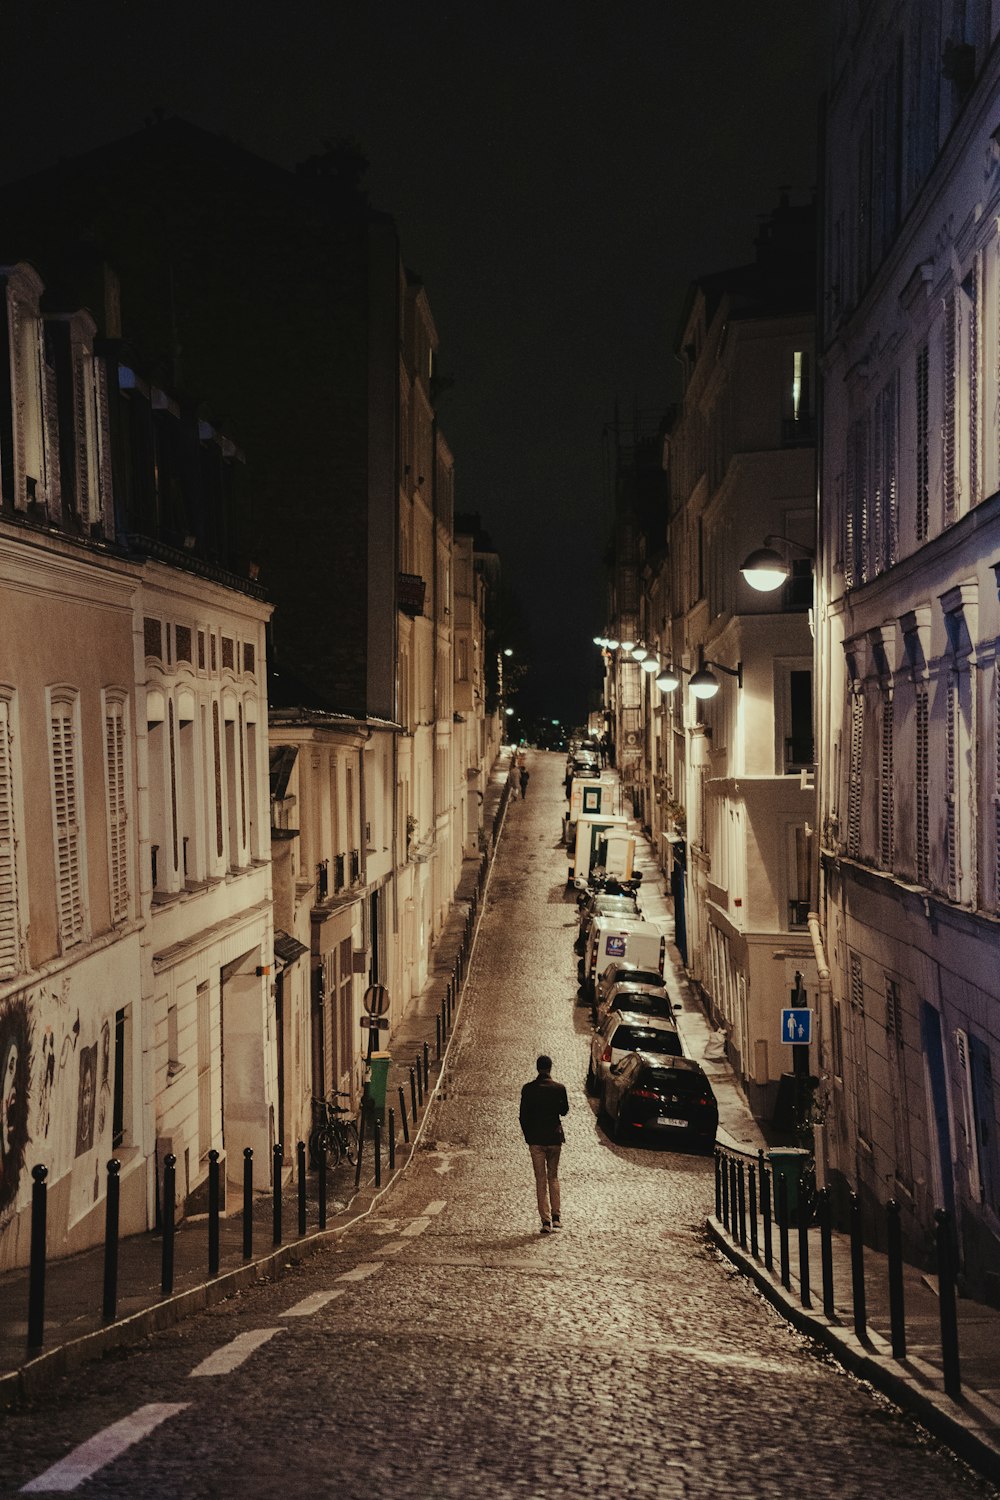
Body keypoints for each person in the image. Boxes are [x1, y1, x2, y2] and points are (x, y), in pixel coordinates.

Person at [519, 1054, 569, 1233]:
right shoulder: (559, 1088)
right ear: (550, 1068)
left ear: (537, 1068)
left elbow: (523, 1116)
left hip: (536, 1141)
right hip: (554, 1139)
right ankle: (557, 1217)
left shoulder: (528, 1089)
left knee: (540, 1180)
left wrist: (528, 1137)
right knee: (553, 1177)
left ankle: (545, 1221)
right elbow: (564, 1111)